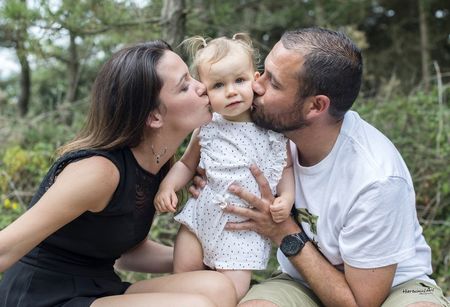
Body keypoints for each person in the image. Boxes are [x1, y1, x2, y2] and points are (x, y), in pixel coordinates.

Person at [192, 28, 450, 307]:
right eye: (261, 72)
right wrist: (210, 185)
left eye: (273, 83)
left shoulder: (376, 178)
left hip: (395, 288)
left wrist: (282, 231)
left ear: (316, 106)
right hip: (300, 280)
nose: (255, 85)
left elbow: (361, 303)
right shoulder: (266, 134)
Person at [0, 40, 237, 307]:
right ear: (154, 116)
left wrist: (202, 257)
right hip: (42, 296)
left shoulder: (158, 165)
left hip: (98, 287)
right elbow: (4, 249)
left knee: (217, 288)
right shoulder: (99, 171)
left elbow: (129, 253)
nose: (202, 87)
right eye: (185, 86)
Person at [154, 33, 295, 300]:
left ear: (255, 79)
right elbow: (186, 164)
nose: (230, 91)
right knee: (184, 282)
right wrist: (168, 186)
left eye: (239, 80)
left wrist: (286, 198)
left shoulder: (271, 129)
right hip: (199, 221)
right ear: (205, 91)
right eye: (218, 85)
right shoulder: (207, 126)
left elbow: (284, 169)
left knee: (231, 293)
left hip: (241, 230)